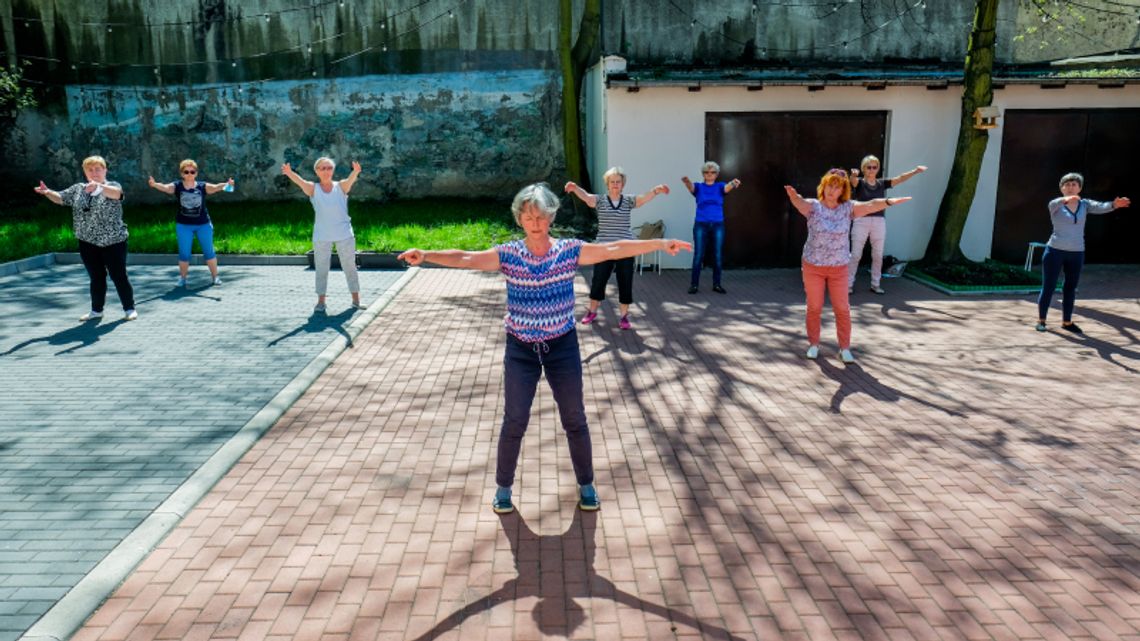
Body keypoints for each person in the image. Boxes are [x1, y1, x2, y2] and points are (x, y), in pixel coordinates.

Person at [397, 183, 691, 514]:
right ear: (519, 219)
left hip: (562, 347)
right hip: (521, 350)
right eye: (528, 217)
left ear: (551, 217)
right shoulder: (508, 255)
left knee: (574, 418)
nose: (535, 223)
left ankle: (587, 484)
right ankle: (504, 488)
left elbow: (613, 249)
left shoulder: (569, 251)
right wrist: (426, 255)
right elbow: (467, 258)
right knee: (515, 420)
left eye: (540, 216)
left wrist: (661, 243)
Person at [784, 169, 912, 363]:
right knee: (814, 307)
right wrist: (794, 196)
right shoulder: (813, 206)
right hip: (813, 266)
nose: (832, 190)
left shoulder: (848, 208)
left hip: (839, 268)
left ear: (842, 191)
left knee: (842, 308)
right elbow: (800, 202)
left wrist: (888, 202)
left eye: (837, 187)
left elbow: (869, 205)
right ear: (823, 186)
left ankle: (844, 348)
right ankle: (813, 344)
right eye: (829, 185)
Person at [34, 155, 138, 322]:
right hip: (87, 241)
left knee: (119, 276)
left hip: (114, 241)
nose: (94, 172)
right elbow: (61, 198)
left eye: (98, 169)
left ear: (105, 170)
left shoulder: (112, 186)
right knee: (96, 277)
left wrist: (98, 186)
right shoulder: (78, 188)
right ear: (85, 172)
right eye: (90, 169)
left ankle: (129, 308)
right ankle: (96, 311)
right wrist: (47, 192)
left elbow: (117, 194)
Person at [564, 167, 669, 330]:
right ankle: (592, 312)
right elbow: (587, 198)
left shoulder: (628, 200)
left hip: (626, 248)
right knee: (598, 280)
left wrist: (656, 191)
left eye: (618, 182)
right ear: (607, 184)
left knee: (625, 281)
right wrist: (575, 188)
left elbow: (642, 199)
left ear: (622, 184)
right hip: (604, 249)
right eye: (612, 182)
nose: (615, 184)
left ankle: (624, 317)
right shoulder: (600, 200)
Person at [1035, 172, 1130, 334]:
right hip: (1054, 251)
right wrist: (1065, 200)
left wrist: (1114, 205)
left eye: (1074, 184)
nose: (1071, 187)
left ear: (1079, 188)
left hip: (1076, 252)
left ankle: (1067, 322)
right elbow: (1056, 203)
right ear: (1062, 188)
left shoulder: (1085, 204)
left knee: (1070, 288)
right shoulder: (1055, 204)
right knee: (1049, 287)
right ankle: (1041, 320)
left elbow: (1101, 207)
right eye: (1067, 184)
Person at [281, 157, 363, 312]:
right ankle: (321, 302)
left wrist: (356, 172)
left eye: (329, 168)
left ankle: (356, 300)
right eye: (322, 168)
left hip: (344, 234)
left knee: (350, 266)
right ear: (317, 171)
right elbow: (301, 182)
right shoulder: (313, 188)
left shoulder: (341, 187)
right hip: (322, 235)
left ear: (333, 170)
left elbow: (350, 180)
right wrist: (289, 173)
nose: (326, 171)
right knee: (321, 268)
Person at [147, 159, 234, 287]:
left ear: (196, 173)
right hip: (184, 225)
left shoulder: (202, 186)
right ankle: (182, 279)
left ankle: (215, 277)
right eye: (186, 172)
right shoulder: (177, 186)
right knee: (184, 253)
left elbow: (216, 187)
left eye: (192, 172)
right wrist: (154, 184)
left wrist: (227, 184)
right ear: (182, 173)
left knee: (209, 251)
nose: (189, 174)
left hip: (203, 224)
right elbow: (166, 188)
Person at [847, 156, 926, 294]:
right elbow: (853, 181)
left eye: (874, 167)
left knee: (877, 255)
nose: (872, 170)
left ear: (878, 168)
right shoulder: (859, 183)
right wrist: (853, 176)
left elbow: (900, 178)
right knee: (855, 255)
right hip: (861, 221)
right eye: (869, 167)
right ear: (863, 169)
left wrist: (915, 171)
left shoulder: (881, 183)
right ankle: (848, 284)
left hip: (879, 221)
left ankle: (875, 284)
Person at [681, 161, 741, 294]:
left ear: (717, 174)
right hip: (701, 224)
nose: (709, 174)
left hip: (717, 224)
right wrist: (687, 182)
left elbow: (727, 188)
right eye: (706, 172)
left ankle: (717, 284)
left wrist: (733, 182)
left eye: (712, 172)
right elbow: (691, 188)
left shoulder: (720, 186)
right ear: (703, 174)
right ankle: (694, 285)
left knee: (718, 255)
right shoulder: (699, 187)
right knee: (698, 255)